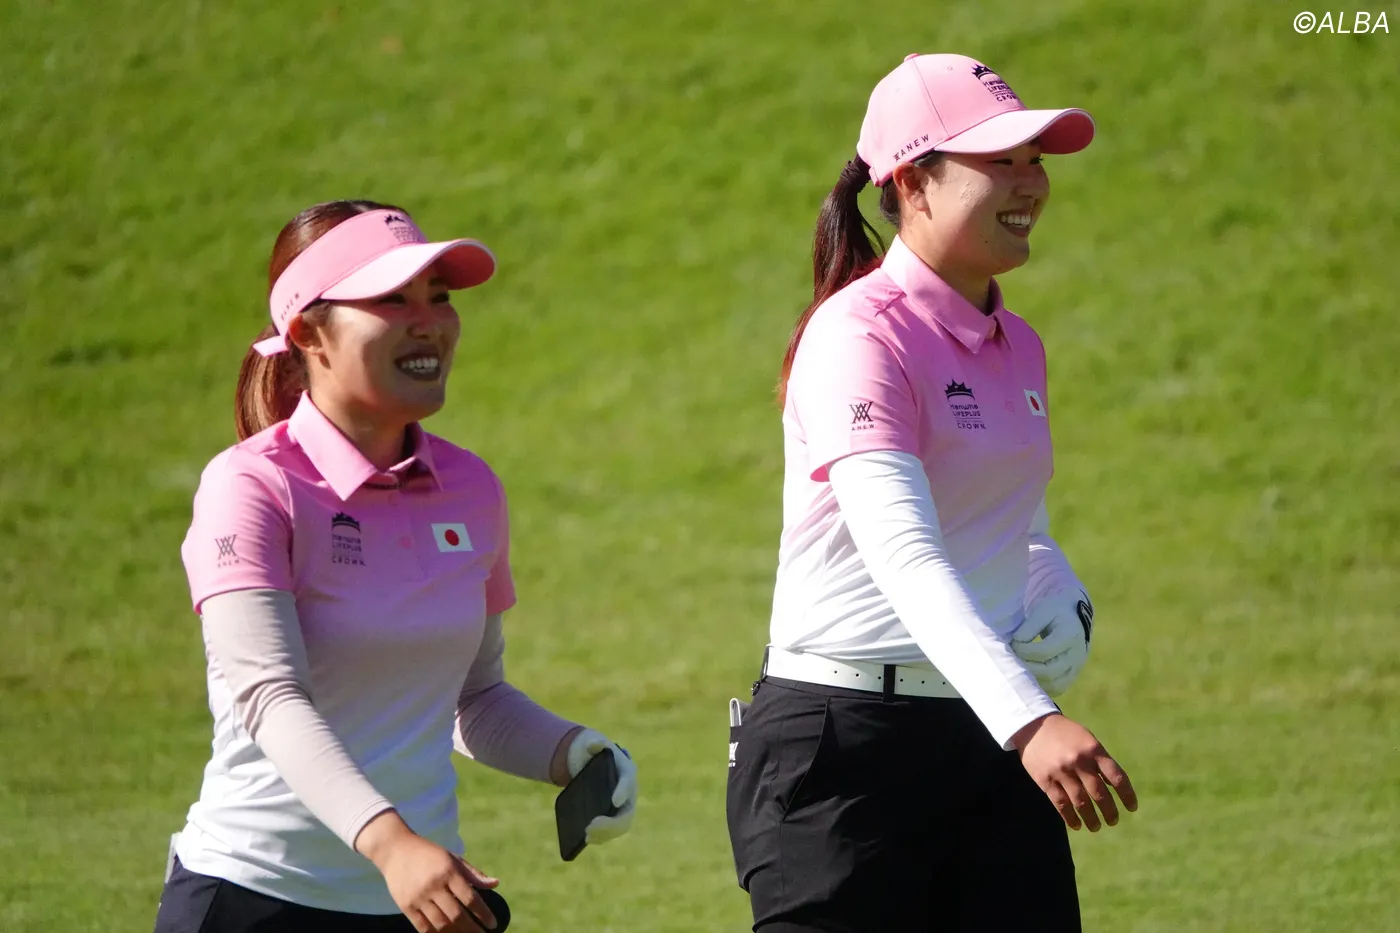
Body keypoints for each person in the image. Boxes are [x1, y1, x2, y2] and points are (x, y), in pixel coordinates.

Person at [725, 54, 1138, 932]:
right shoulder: (857, 336)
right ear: (912, 182)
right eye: (1000, 161)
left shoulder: (1019, 344)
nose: (1031, 182)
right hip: (841, 749)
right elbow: (905, 553)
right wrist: (1032, 720)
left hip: (980, 729)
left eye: (1035, 159)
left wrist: (1057, 590)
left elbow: (1019, 524)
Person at [155, 200, 638, 933]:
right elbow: (271, 696)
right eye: (391, 300)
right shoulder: (250, 485)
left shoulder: (472, 488)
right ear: (308, 332)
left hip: (414, 901)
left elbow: (473, 697)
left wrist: (574, 752)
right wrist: (392, 845)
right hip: (252, 895)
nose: (429, 322)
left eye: (438, 297)